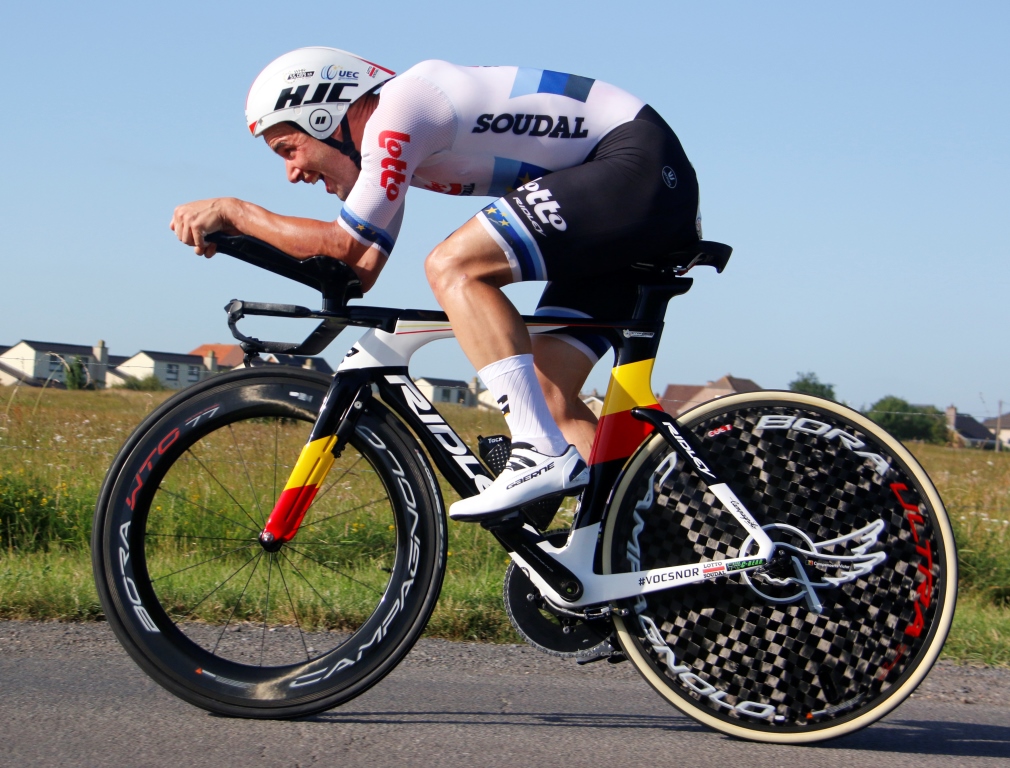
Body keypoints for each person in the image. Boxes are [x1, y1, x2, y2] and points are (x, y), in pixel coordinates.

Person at [171, 47, 701, 522]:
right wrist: (245, 244)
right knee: (547, 389)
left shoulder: (399, 113)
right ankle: (663, 539)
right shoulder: (400, 149)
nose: (293, 173)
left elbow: (345, 247)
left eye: (289, 149)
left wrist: (236, 212)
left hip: (636, 165)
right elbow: (360, 269)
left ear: (323, 115)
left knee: (453, 266)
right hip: (626, 191)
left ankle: (537, 451)